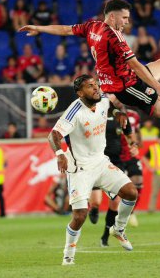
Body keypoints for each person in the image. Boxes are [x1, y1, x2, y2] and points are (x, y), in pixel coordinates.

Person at [19, 0, 160, 181]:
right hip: (127, 86)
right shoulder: (114, 37)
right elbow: (135, 66)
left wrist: (39, 27)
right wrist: (157, 86)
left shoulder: (92, 27)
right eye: (124, 18)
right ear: (113, 16)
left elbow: (66, 30)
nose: (126, 22)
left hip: (116, 82)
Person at [48, 75, 138, 265]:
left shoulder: (102, 98)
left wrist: (119, 113)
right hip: (81, 169)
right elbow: (54, 134)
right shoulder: (74, 111)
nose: (96, 88)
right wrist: (60, 154)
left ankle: (118, 229)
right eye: (90, 86)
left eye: (96, 84)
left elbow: (111, 106)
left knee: (131, 192)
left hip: (101, 162)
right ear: (80, 93)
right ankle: (68, 255)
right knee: (80, 216)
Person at [88, 104, 139, 247]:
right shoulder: (96, 114)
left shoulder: (121, 117)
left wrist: (133, 144)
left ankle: (105, 237)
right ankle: (94, 209)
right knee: (96, 201)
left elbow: (129, 132)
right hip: (97, 162)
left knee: (115, 201)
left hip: (116, 162)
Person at [143, 136, 160, 212]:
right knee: (155, 192)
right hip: (157, 174)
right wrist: (150, 168)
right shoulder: (153, 148)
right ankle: (151, 209)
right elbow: (144, 158)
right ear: (158, 140)